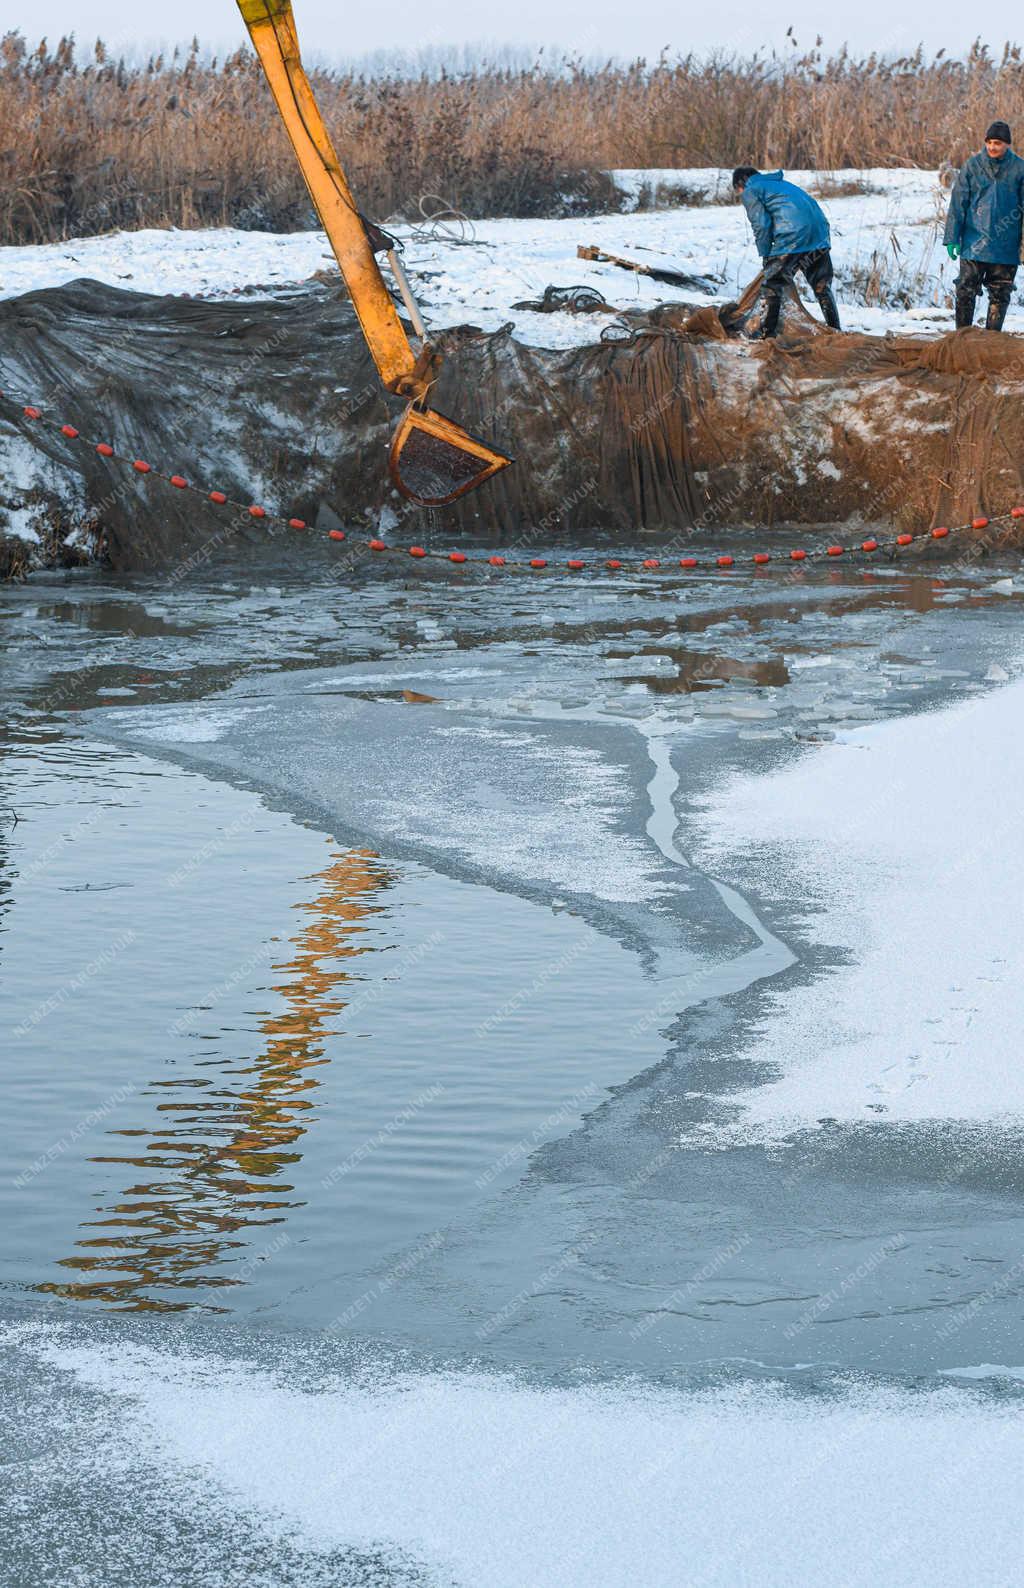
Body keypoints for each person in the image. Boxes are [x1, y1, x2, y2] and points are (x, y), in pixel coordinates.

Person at [732, 167, 841, 338]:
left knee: (772, 285)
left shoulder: (751, 190)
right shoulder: (782, 184)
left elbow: (761, 225)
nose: (740, 195)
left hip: (793, 237)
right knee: (822, 286)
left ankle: (767, 335)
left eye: (738, 191)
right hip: (819, 235)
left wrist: (767, 255)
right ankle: (836, 330)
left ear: (741, 183)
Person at [944, 121, 1024, 331]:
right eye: (988, 142)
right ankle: (961, 337)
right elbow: (958, 202)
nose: (992, 147)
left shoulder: (1019, 169)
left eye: (997, 143)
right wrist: (952, 237)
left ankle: (991, 342)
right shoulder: (972, 166)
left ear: (1007, 144)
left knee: (1000, 292)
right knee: (965, 290)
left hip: (1005, 245)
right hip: (973, 242)